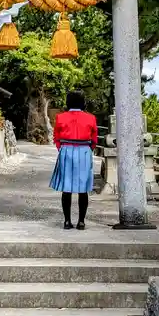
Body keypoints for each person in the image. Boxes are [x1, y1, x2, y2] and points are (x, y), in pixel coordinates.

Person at [50, 90, 98, 230]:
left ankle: (67, 221)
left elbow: (56, 137)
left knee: (67, 187)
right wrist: (88, 149)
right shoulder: (91, 118)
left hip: (67, 149)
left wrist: (62, 149)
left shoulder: (60, 117)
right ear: (83, 103)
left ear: (68, 102)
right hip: (84, 150)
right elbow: (94, 138)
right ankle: (81, 222)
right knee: (83, 189)